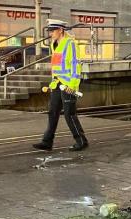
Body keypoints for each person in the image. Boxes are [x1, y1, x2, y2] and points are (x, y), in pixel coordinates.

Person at [33, 19, 87, 152]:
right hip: (57, 83)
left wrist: (73, 85)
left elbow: (75, 65)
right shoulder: (55, 44)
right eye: (49, 31)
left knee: (69, 114)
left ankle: (81, 141)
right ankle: (47, 142)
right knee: (52, 112)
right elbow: (57, 66)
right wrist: (53, 82)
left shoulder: (71, 44)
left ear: (61, 30)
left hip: (68, 84)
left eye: (52, 30)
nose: (50, 33)